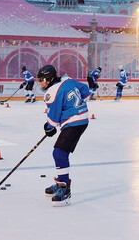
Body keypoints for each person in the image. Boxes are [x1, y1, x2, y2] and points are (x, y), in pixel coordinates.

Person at [38, 64, 91, 206]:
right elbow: (86, 92)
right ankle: (62, 181)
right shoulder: (68, 80)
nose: (40, 83)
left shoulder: (51, 92)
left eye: (42, 80)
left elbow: (53, 119)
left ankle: (65, 188)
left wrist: (49, 127)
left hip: (74, 122)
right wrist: (77, 107)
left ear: (48, 79)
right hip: (81, 119)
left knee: (59, 153)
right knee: (61, 152)